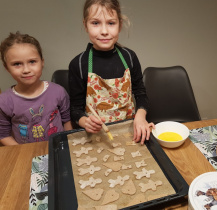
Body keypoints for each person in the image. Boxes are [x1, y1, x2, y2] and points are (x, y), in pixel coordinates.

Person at [69, 0, 154, 144]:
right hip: (96, 136)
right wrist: (85, 122)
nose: (104, 31)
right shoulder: (78, 64)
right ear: (85, 25)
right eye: (95, 23)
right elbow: (75, 110)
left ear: (119, 25)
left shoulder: (129, 57)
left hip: (129, 131)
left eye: (111, 23)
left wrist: (140, 116)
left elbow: (140, 93)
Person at [0, 32, 72, 145]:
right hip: (26, 153)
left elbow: (67, 121)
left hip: (58, 148)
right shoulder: (4, 101)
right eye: (17, 64)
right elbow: (3, 135)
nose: (26, 70)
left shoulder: (58, 91)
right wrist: (23, 153)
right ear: (7, 68)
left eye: (32, 62)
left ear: (42, 62)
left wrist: (68, 145)